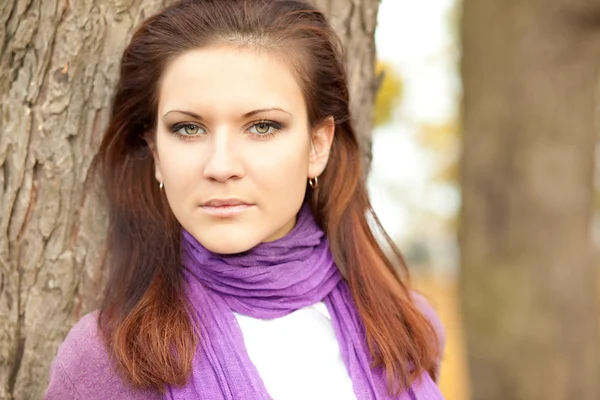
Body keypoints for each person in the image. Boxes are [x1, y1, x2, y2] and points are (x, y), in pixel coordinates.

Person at [44, 0, 445, 399]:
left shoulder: (404, 328)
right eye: (187, 128)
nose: (220, 166)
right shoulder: (108, 361)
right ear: (156, 152)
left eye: (262, 126)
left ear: (317, 146)